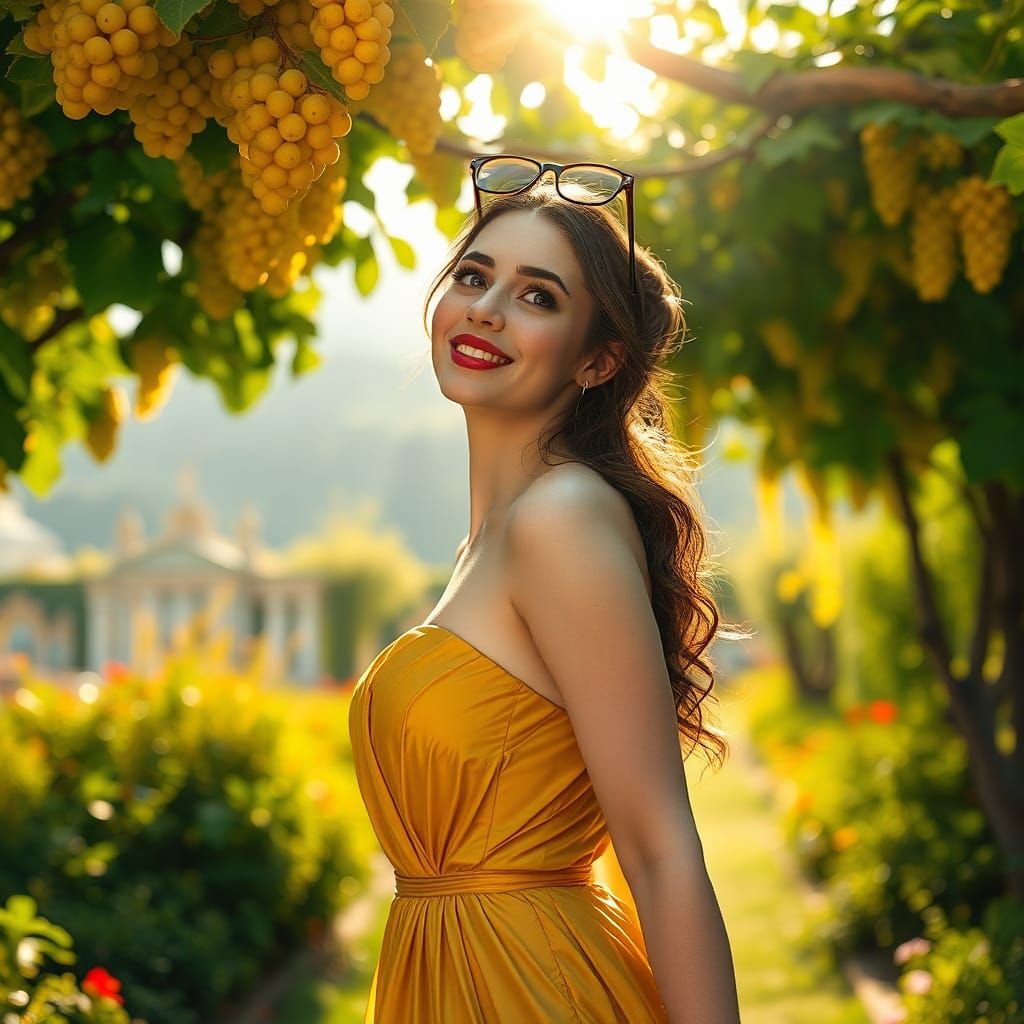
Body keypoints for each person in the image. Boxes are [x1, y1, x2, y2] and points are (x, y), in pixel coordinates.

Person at [348, 154, 743, 1022]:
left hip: (535, 990)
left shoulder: (559, 520)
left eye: (538, 296)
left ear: (597, 362)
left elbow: (658, 848)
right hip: (449, 978)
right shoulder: (491, 541)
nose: (486, 308)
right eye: (474, 275)